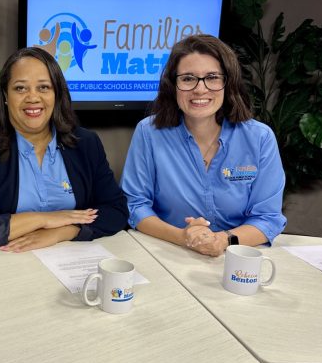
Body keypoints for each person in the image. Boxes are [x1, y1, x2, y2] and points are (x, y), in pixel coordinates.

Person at [0, 47, 128, 251]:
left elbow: (116, 211)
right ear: (5, 95)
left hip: (68, 258)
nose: (33, 98)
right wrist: (43, 219)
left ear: (56, 94)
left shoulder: (85, 143)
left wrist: (63, 231)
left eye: (43, 87)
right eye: (20, 88)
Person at [121, 34, 286, 257]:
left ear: (228, 83)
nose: (200, 89)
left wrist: (222, 240)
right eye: (188, 78)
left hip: (239, 255)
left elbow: (268, 217)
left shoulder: (259, 137)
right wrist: (182, 236)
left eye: (212, 77)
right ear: (173, 85)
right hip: (169, 250)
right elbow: (136, 205)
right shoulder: (149, 132)